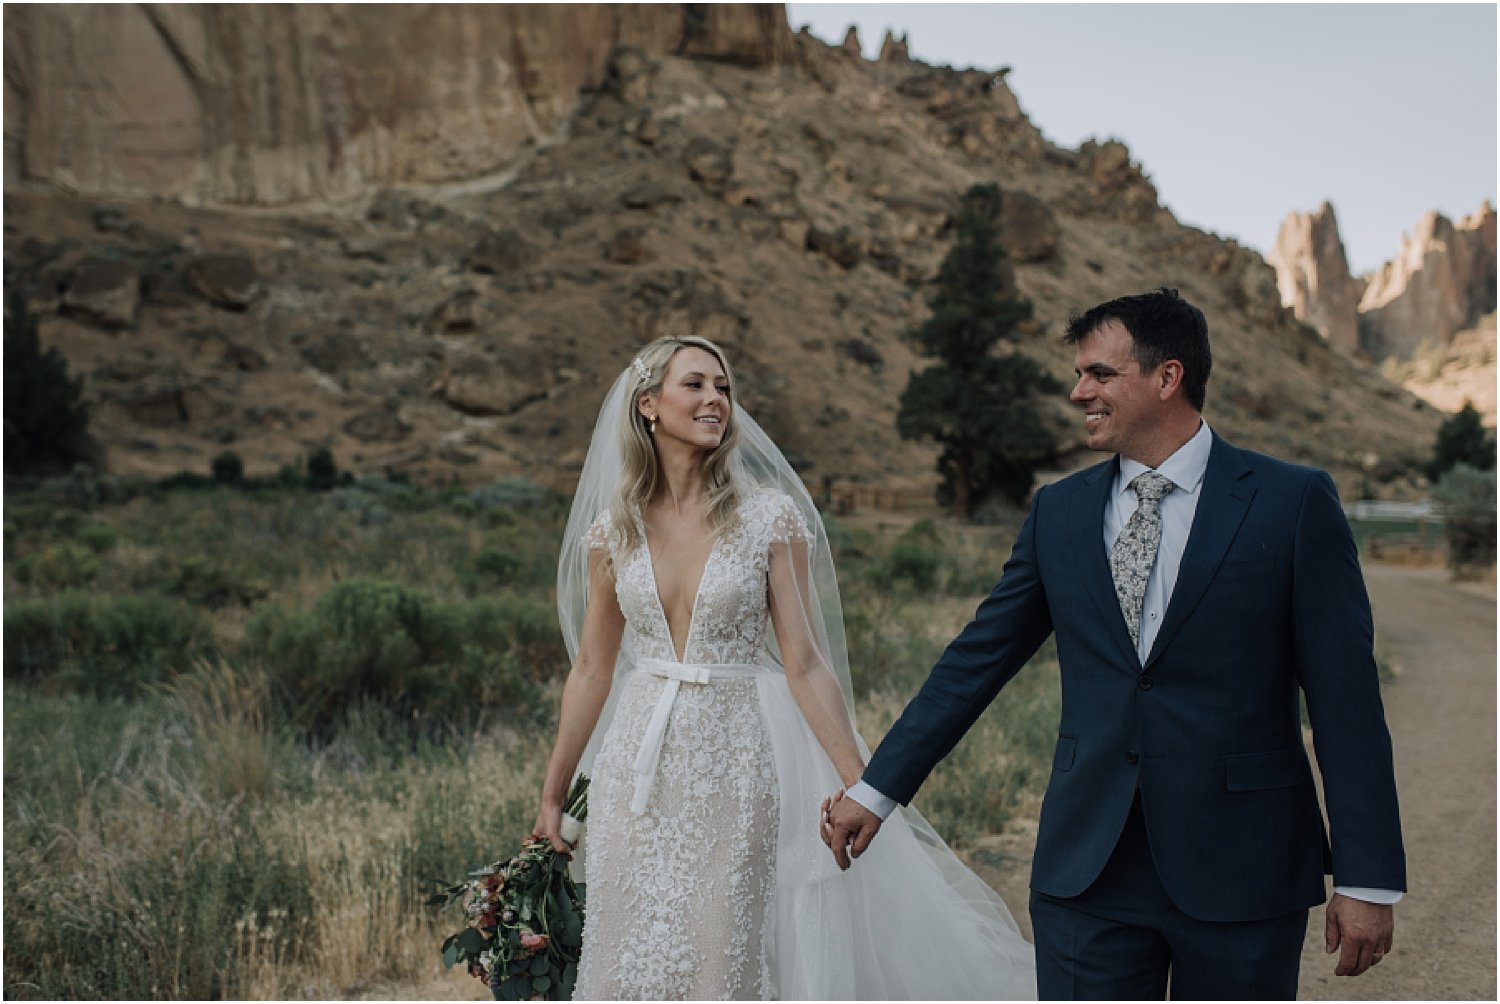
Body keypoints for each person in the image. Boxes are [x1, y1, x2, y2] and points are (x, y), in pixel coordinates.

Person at [824, 288, 1406, 1000]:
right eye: (1079, 375)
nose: (1079, 392)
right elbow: (975, 662)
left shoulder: (1291, 503)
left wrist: (1368, 875)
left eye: (1100, 373)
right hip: (1088, 867)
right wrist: (876, 790)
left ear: (1167, 377)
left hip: (1243, 866)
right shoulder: (1058, 513)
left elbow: (1346, 700)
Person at [532, 335, 1036, 1000]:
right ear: (648, 405)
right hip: (637, 768)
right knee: (632, 944)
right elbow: (593, 670)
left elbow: (804, 663)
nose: (716, 399)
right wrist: (553, 794)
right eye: (697, 385)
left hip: (736, 758)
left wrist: (864, 785)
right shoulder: (614, 530)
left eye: (724, 387)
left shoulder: (767, 517)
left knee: (721, 945)